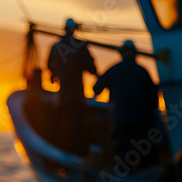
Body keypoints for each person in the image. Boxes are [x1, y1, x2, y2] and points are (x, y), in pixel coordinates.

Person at [93, 40, 159, 169]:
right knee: (144, 156)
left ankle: (122, 177)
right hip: (141, 122)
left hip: (120, 120)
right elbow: (154, 102)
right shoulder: (143, 72)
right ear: (135, 54)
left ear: (121, 54)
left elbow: (96, 89)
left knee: (122, 154)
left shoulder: (114, 69)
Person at [47, 18, 97, 155]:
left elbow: (49, 67)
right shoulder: (80, 47)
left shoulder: (56, 47)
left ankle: (53, 154)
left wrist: (54, 75)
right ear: (74, 30)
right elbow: (92, 69)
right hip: (77, 98)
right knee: (79, 130)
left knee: (56, 127)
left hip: (61, 98)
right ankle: (78, 157)